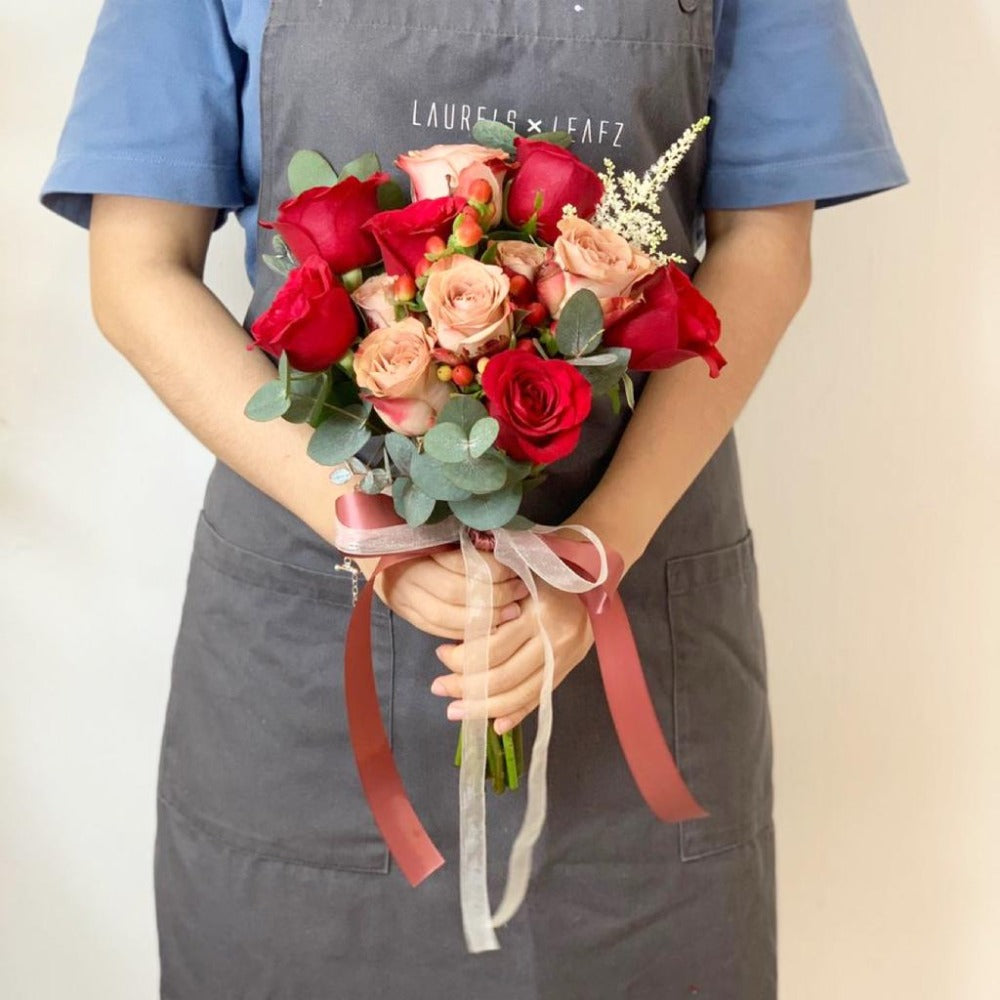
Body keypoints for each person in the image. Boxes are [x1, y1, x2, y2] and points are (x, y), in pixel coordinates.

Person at [39, 1, 907, 996]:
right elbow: (136, 268)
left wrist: (595, 549)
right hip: (300, 664)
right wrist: (364, 523)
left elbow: (762, 248)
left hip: (630, 619)